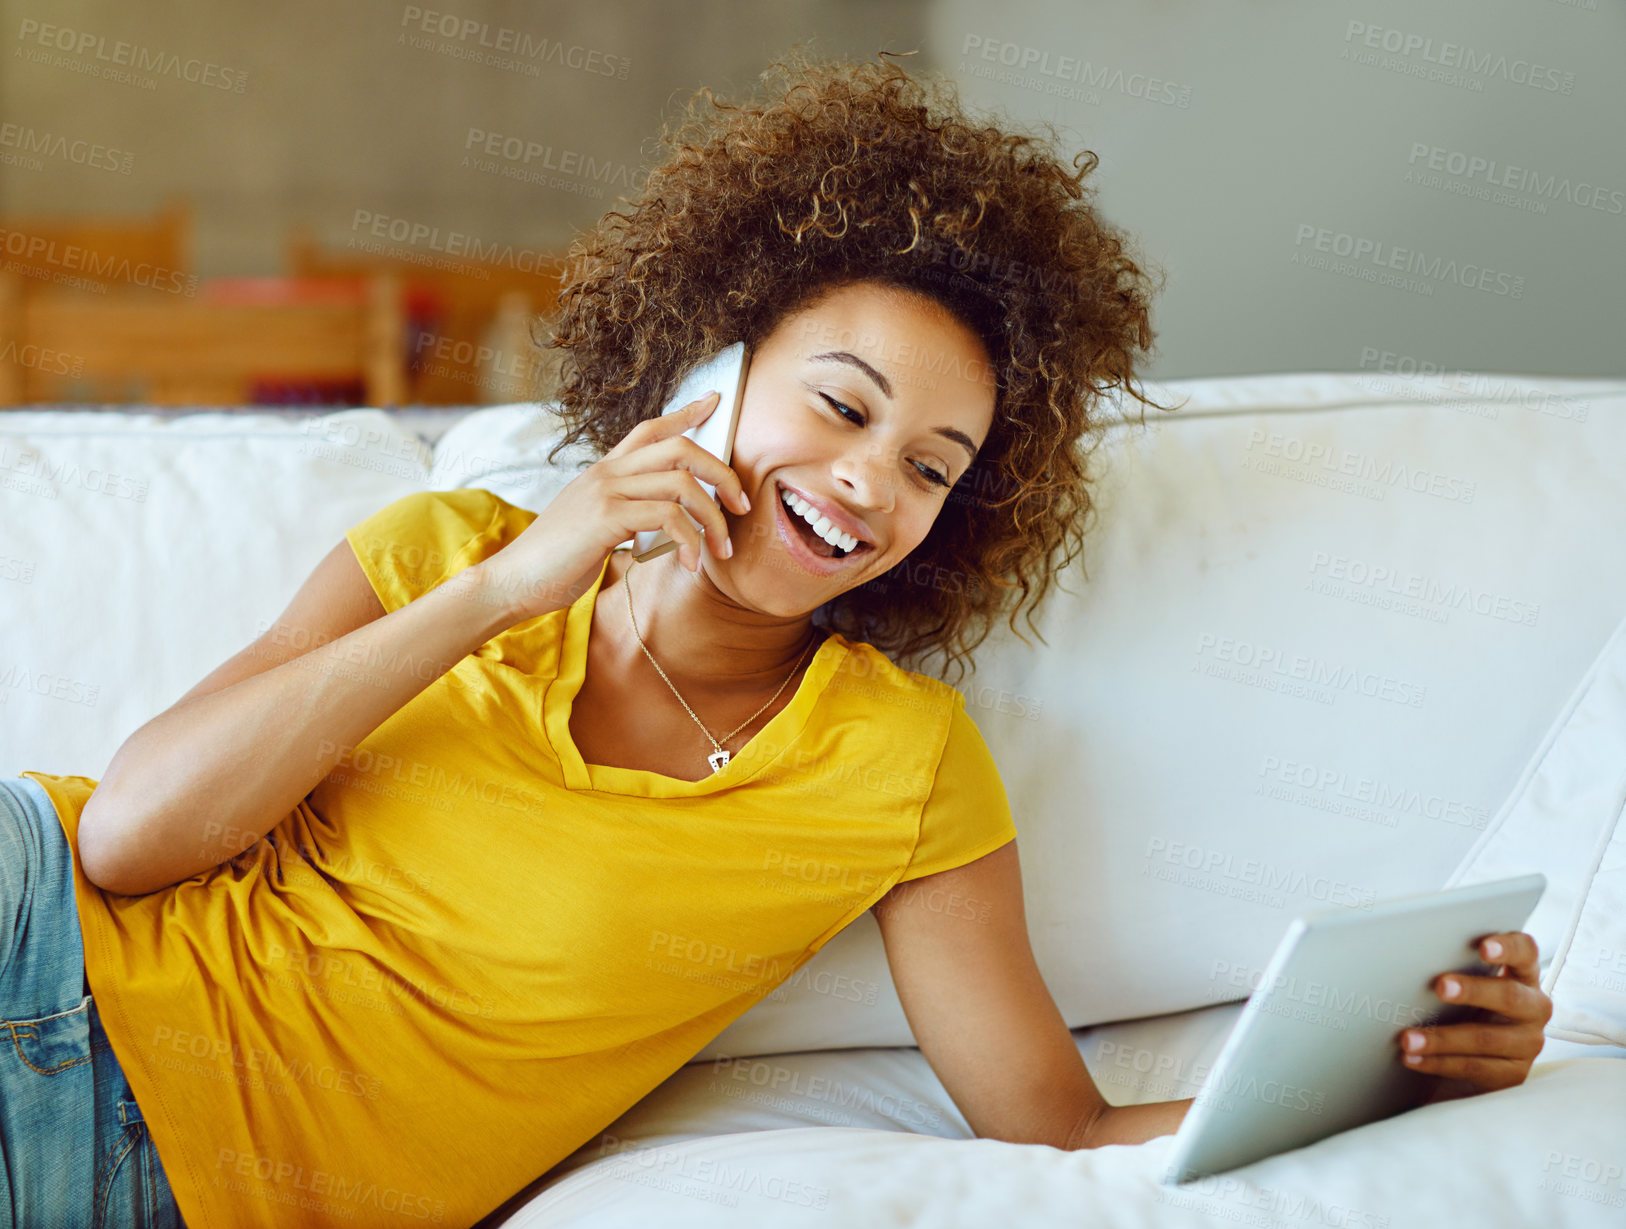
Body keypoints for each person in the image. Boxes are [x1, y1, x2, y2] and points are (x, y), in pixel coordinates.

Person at [1, 49, 1552, 1229]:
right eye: (841, 403)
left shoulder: (895, 765)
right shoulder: (450, 556)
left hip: (148, 1174)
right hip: (43, 934)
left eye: (934, 465)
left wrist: (1397, 1070)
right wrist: (498, 594)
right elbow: (128, 842)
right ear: (709, 375)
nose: (873, 481)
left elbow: (1060, 1131)